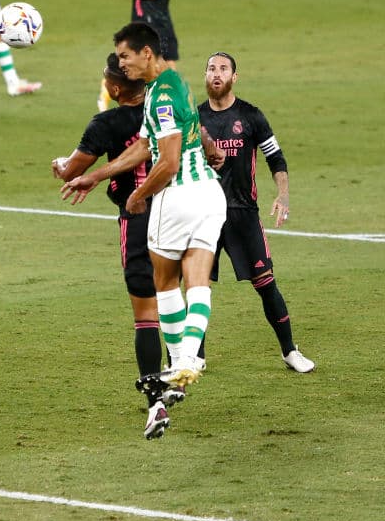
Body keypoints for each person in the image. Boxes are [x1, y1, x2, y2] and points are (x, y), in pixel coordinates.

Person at [63, 23, 226, 402]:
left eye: (124, 56)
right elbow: (145, 143)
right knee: (198, 279)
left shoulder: (162, 97)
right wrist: (99, 175)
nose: (120, 65)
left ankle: (181, 360)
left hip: (178, 196)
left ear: (146, 54)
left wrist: (139, 194)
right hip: (209, 194)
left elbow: (167, 161)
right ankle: (188, 360)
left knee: (165, 282)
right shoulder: (174, 83)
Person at [53, 54, 178, 439]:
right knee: (176, 298)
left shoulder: (106, 123)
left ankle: (155, 401)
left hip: (138, 218)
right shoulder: (166, 112)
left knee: (145, 313)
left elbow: (73, 170)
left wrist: (60, 164)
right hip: (177, 213)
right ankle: (185, 366)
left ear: (115, 87)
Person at [197, 52, 315, 373]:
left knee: (265, 282)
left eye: (223, 69)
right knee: (198, 287)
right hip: (204, 216)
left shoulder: (251, 116)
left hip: (243, 215)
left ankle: (290, 352)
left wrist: (283, 195)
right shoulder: (194, 119)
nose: (216, 73)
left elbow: (275, 158)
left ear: (235, 77)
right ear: (205, 76)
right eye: (211, 69)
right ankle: (195, 357)